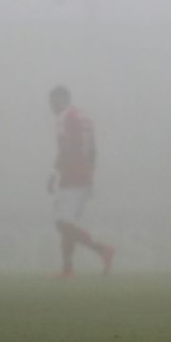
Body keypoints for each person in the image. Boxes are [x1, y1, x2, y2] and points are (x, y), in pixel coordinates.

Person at [47, 85, 114, 278]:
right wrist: (90, 175)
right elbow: (93, 150)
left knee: (62, 222)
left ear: (60, 100)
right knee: (67, 222)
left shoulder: (64, 118)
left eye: (52, 102)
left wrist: (53, 173)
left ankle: (102, 250)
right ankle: (67, 268)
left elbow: (65, 148)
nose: (51, 107)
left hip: (71, 177)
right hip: (84, 177)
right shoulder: (85, 118)